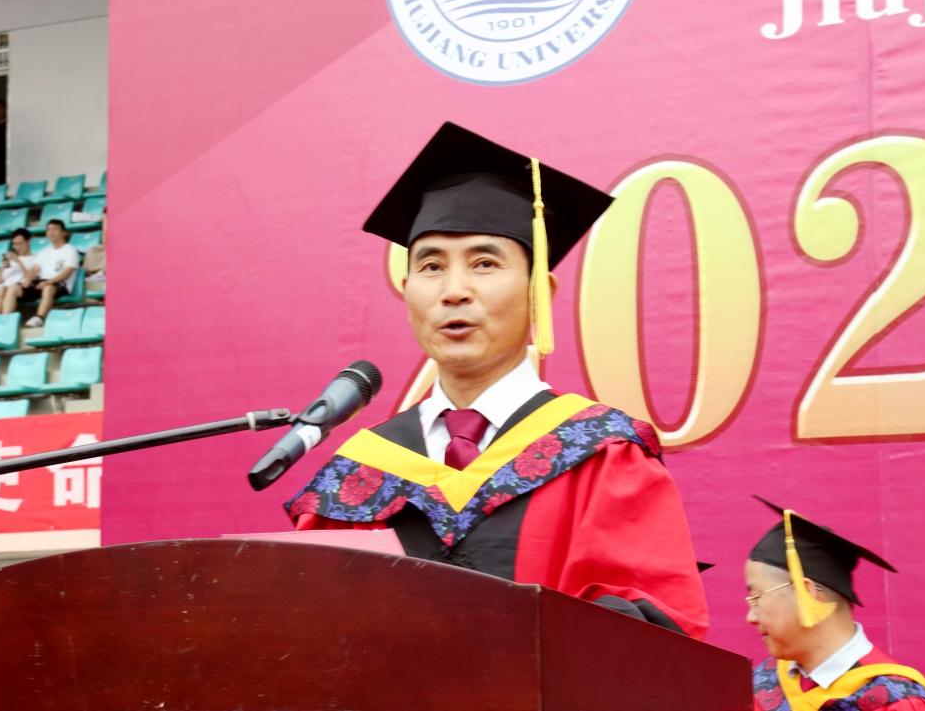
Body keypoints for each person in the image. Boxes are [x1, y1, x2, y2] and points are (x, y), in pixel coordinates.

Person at [283, 122, 709, 638]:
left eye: (484, 263)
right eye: (431, 267)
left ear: (539, 291)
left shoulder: (603, 455)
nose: (454, 290)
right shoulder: (357, 474)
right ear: (408, 289)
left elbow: (653, 636)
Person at [745, 497, 925, 710]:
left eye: (757, 597)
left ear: (806, 593)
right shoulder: (761, 685)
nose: (750, 617)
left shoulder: (898, 702)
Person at [0, 219, 79, 326]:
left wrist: (49, 282)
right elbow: (34, 269)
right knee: (13, 288)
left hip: (60, 284)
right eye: (49, 230)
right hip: (40, 283)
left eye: (55, 229)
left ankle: (39, 318)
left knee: (48, 287)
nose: (51, 232)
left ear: (64, 233)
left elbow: (67, 273)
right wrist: (28, 279)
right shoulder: (44, 252)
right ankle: (6, 321)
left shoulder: (70, 250)